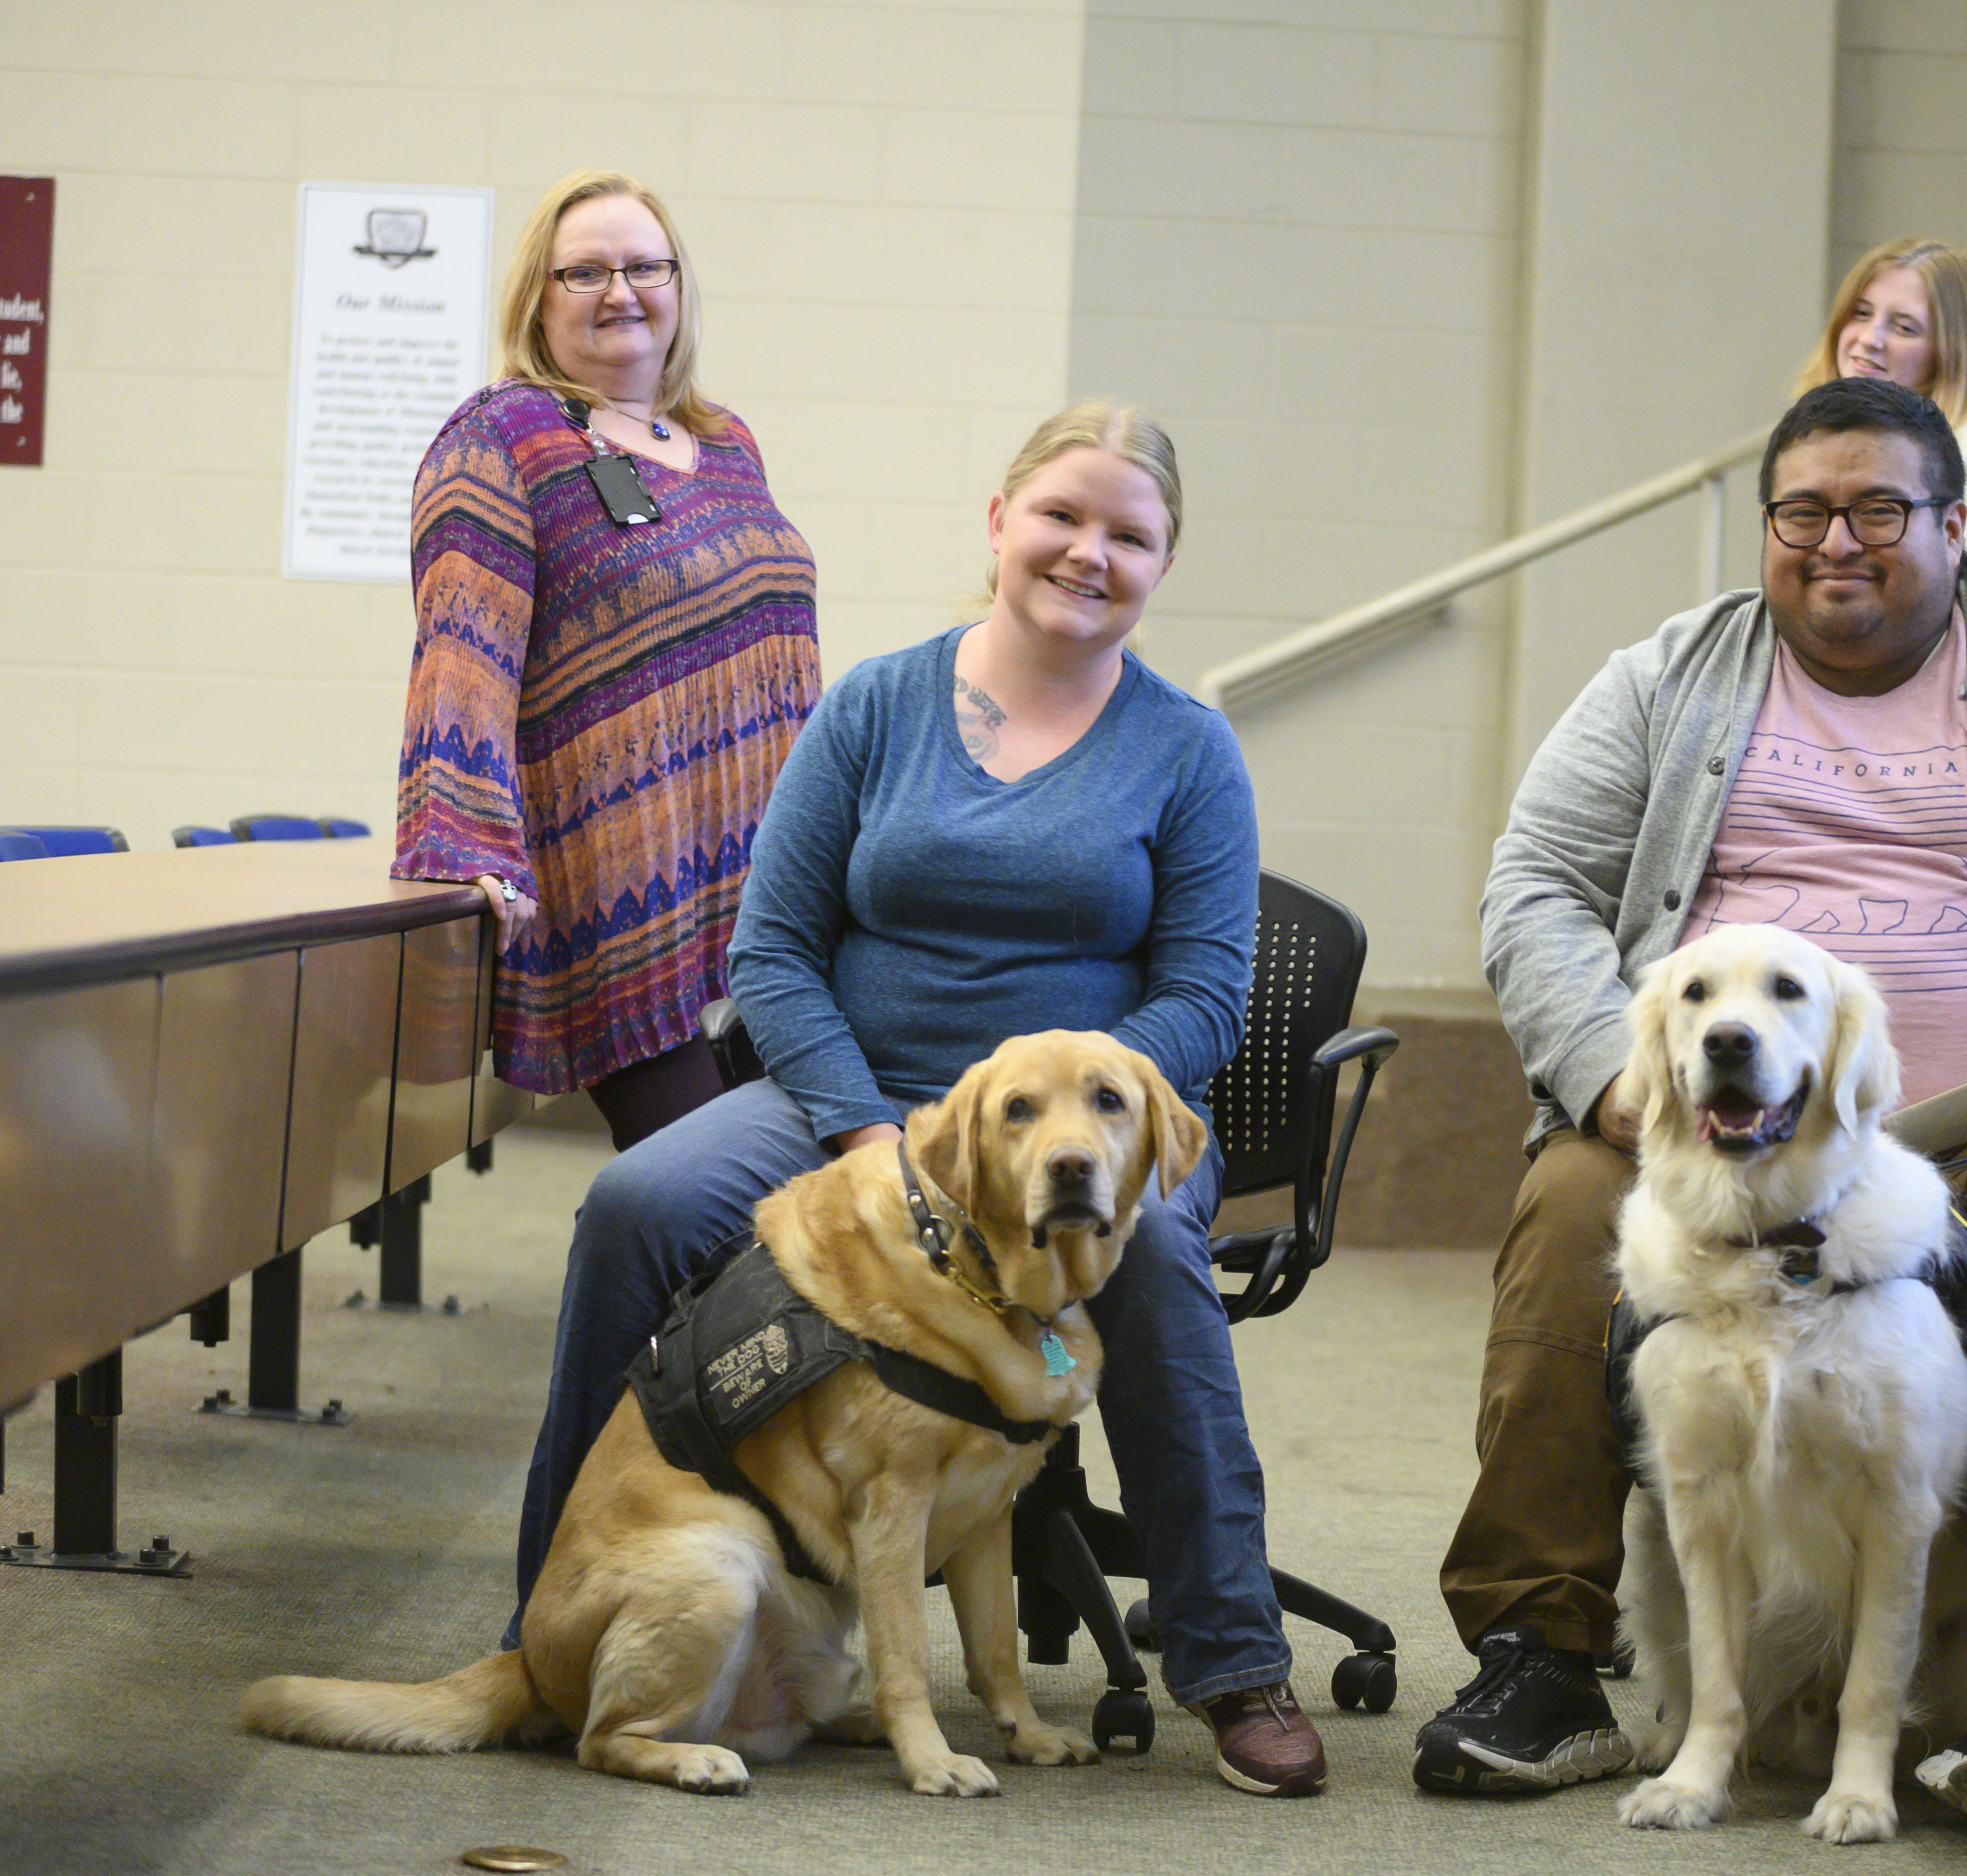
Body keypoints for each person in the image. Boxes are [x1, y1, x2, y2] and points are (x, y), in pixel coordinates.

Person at [1409, 377, 1967, 1851]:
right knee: (1562, 1203)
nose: (1837, 542)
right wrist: (1612, 1074)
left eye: (1879, 510)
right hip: (1719, 1145)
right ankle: (1540, 1660)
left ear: (1953, 527)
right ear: (1767, 530)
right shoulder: (1666, 680)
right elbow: (1535, 881)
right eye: (1804, 511)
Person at [504, 402, 1329, 1799]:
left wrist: (1081, 1118)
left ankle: (1230, 1652)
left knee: (1162, 1264)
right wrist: (874, 1135)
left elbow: (1203, 993)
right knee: (635, 1204)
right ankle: (555, 1627)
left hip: (1084, 1124)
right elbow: (771, 948)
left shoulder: (1189, 750)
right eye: (1063, 515)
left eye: (1130, 535)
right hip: (860, 1099)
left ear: (1164, 563)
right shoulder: (878, 705)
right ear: (1001, 519)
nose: (1089, 553)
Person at [393, 169, 822, 1149]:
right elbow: (463, 655)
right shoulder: (500, 437)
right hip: (626, 896)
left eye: (644, 266)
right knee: (721, 1210)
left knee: (804, 1197)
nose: (620, 291)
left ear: (678, 285)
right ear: (536, 300)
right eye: (583, 271)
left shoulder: (725, 441)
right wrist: (461, 844)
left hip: (766, 894)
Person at [1795, 237, 1967, 594]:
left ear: (1954, 352)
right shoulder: (1813, 444)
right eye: (1861, 314)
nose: (1869, 338)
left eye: (1904, 327)